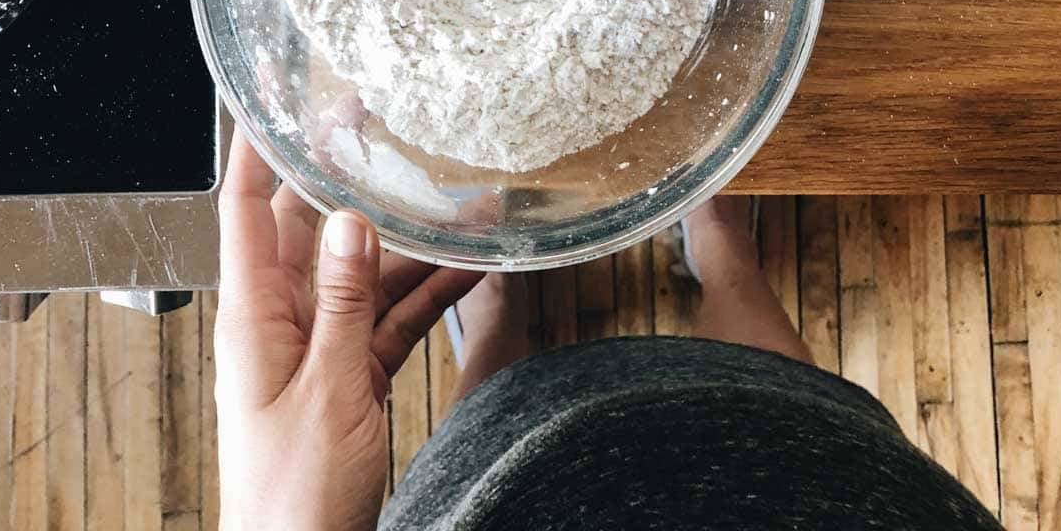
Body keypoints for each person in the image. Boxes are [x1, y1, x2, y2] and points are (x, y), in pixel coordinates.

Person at [215, 134, 1001, 530]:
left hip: (490, 498)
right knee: (771, 393)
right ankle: (724, 255)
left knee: (492, 412)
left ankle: (493, 326)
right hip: (807, 490)